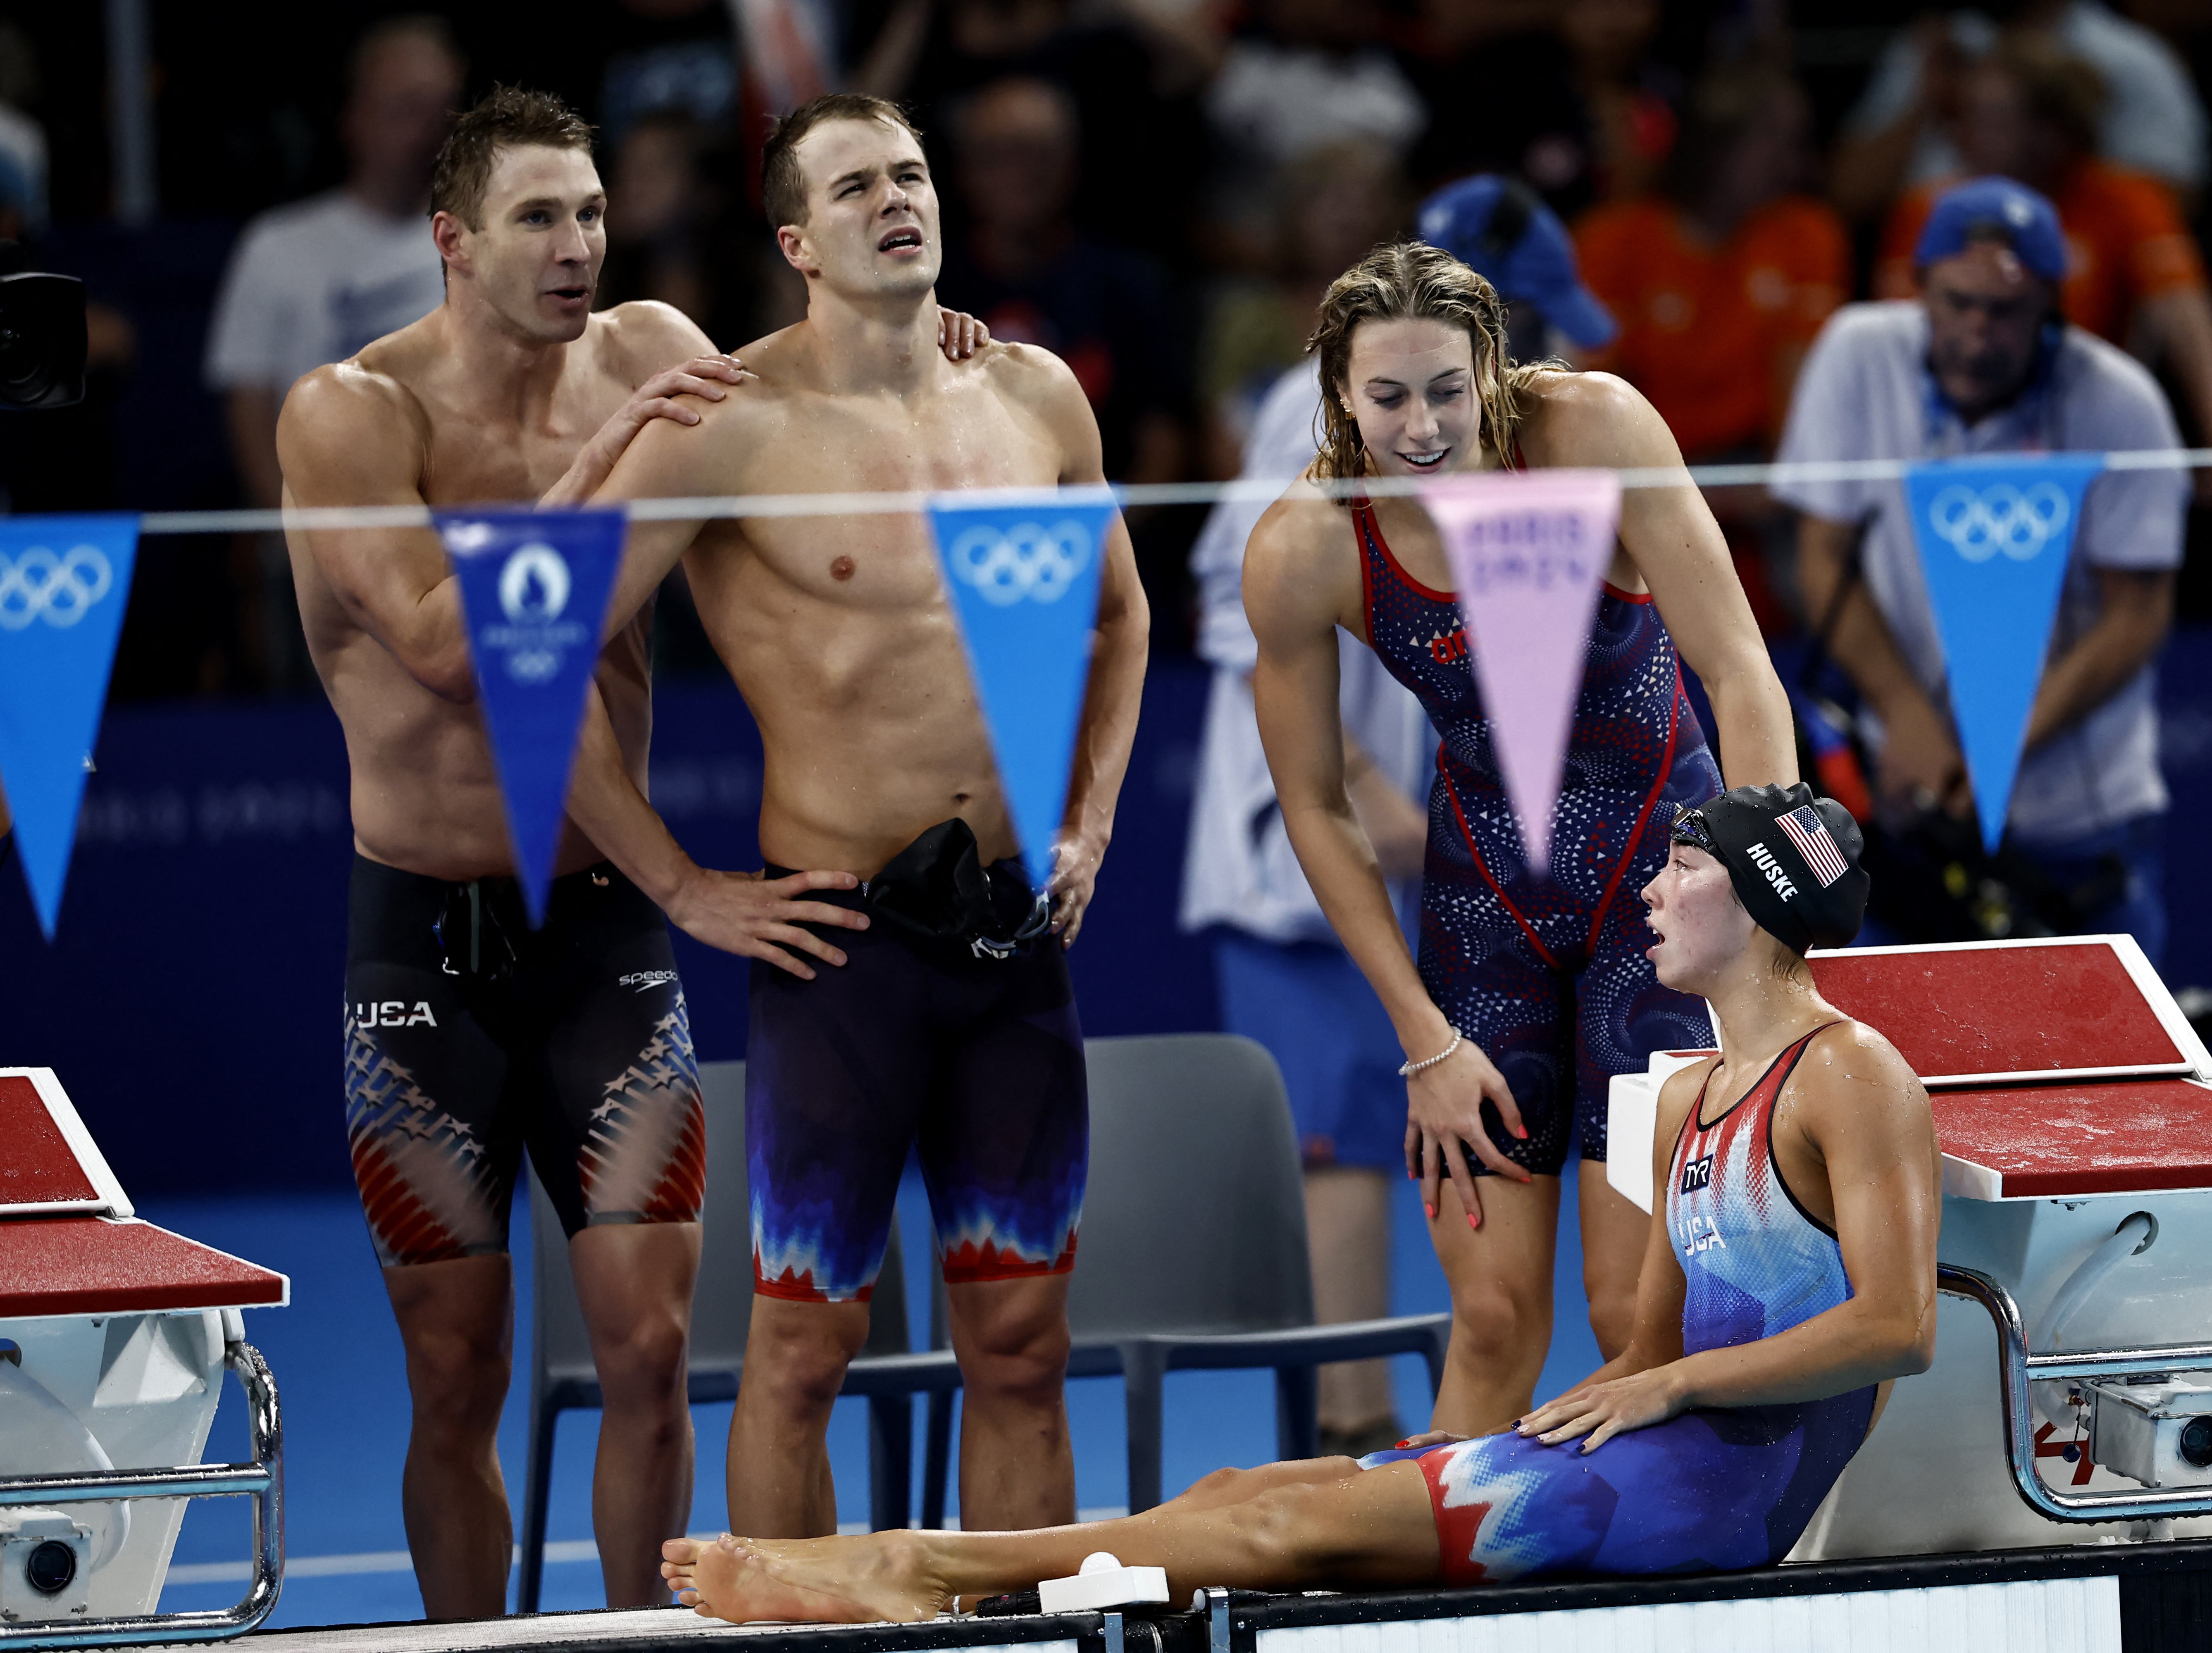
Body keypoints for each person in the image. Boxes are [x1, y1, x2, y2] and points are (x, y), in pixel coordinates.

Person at [274, 87, 985, 1617]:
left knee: (653, 1351)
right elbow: (453, 649)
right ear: (452, 240)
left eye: (593, 213)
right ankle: (470, 1649)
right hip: (425, 945)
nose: (578, 245)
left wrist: (930, 340)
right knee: (455, 1370)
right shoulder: (352, 412)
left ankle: (638, 1641)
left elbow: (817, 389)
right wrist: (604, 468)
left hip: (599, 938)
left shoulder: (658, 353)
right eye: (539, 216)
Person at [659, 783, 1940, 1620]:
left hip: (1722, 1494)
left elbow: (1896, 1327)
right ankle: (962, 1579)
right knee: (1230, 1489)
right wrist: (1598, 1401)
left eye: (1680, 866)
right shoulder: (1686, 1094)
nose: (1650, 889)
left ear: (1762, 900)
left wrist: (1665, 1392)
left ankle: (920, 1565)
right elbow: (1650, 1351)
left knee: (1281, 1531)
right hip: (1655, 1449)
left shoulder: (1850, 1073)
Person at [576, 93, 1150, 1540]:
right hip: (840, 956)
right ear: (797, 242)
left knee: (1023, 1353)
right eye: (854, 189)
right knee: (801, 1358)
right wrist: (682, 887)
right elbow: (541, 663)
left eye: (909, 172)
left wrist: (1088, 826)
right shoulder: (733, 426)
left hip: (1018, 935)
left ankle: (1013, 1641)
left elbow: (1124, 619)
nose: (896, 199)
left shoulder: (1033, 396)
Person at [1237, 241, 1797, 1441]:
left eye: (1447, 387)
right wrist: (1418, 1038)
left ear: (1491, 365)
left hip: (1666, 898)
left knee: (1630, 1312)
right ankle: (1440, 1611)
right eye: (1386, 396)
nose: (1423, 423)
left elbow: (1740, 667)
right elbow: (1313, 803)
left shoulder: (1586, 432)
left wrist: (1750, 902)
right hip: (1483, 917)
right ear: (1335, 391)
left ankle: (1671, 1601)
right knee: (1490, 1320)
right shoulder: (1305, 544)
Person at [1180, 175, 1618, 1459]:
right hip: (1303, 844)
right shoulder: (1310, 422)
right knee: (1346, 1141)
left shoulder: (1527, 420)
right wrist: (1375, 807)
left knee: (1433, 1125)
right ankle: (1347, 1434)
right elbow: (1229, 608)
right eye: (1540, 317)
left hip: (1455, 837)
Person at [1776, 176, 2187, 965]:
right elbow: (1820, 553)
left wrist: (1996, 745)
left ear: (2051, 308)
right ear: (1918, 289)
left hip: (2075, 814)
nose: (1976, 332)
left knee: (2119, 1081)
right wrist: (1908, 717)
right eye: (1955, 303)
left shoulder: (2117, 401)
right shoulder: (1858, 353)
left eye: (2005, 311)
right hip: (1902, 800)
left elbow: (2136, 614)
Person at [205, 17, 466, 692]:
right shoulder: (278, 248)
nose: (431, 127)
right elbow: (248, 403)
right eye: (406, 107)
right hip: (318, 546)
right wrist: (289, 540)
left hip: (463, 537)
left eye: (445, 107)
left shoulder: (490, 244)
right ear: (353, 119)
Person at [1869, 35, 2212, 465]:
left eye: (1992, 121)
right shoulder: (1926, 211)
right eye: (1963, 117)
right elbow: (1901, 352)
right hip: (1955, 444)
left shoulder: (2128, 202)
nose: (1964, 136)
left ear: (2051, 132)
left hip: (2091, 434)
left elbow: (2188, 326)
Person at [1830, 0, 2207, 223]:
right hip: (1946, 243)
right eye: (1972, 117)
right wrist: (1927, 103)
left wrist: (2073, 135)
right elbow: (1848, 194)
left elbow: (2172, 207)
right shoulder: (1935, 45)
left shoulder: (2128, 58)